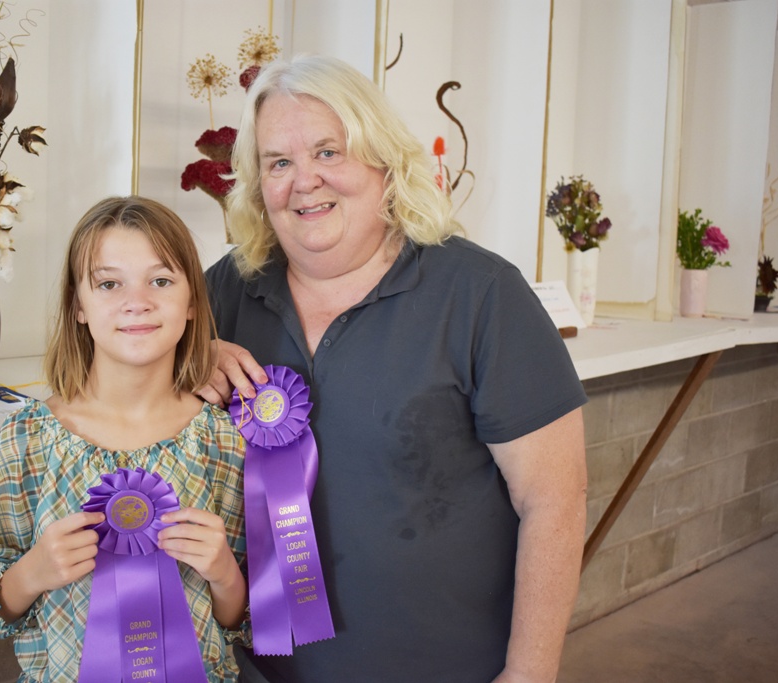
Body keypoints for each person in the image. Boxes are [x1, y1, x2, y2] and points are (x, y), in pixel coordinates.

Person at [199, 54, 588, 683]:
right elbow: (113, 382)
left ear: (384, 162)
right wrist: (185, 359)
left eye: (328, 152)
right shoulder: (225, 290)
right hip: (260, 670)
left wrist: (530, 675)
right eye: (278, 162)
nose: (304, 181)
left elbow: (555, 501)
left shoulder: (481, 295)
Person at [0, 196, 249, 682]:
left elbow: (237, 620)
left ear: (192, 301)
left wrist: (226, 573)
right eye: (109, 283)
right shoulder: (27, 440)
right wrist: (32, 573)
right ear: (78, 306)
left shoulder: (224, 441)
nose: (137, 301)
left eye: (161, 281)